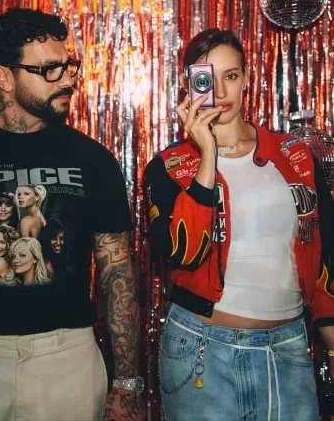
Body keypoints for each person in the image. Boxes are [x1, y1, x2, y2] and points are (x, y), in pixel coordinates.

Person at [0, 8, 144, 421]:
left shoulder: (92, 159)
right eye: (49, 69)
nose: (67, 79)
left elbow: (118, 275)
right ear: (5, 77)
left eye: (68, 66)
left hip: (68, 359)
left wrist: (127, 382)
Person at [143, 28, 334, 421]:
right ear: (190, 85)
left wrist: (332, 344)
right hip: (201, 350)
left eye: (231, 76)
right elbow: (181, 254)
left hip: (288, 349)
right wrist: (207, 154)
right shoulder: (169, 166)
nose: (221, 91)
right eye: (207, 79)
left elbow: (325, 253)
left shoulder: (295, 155)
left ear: (247, 78)